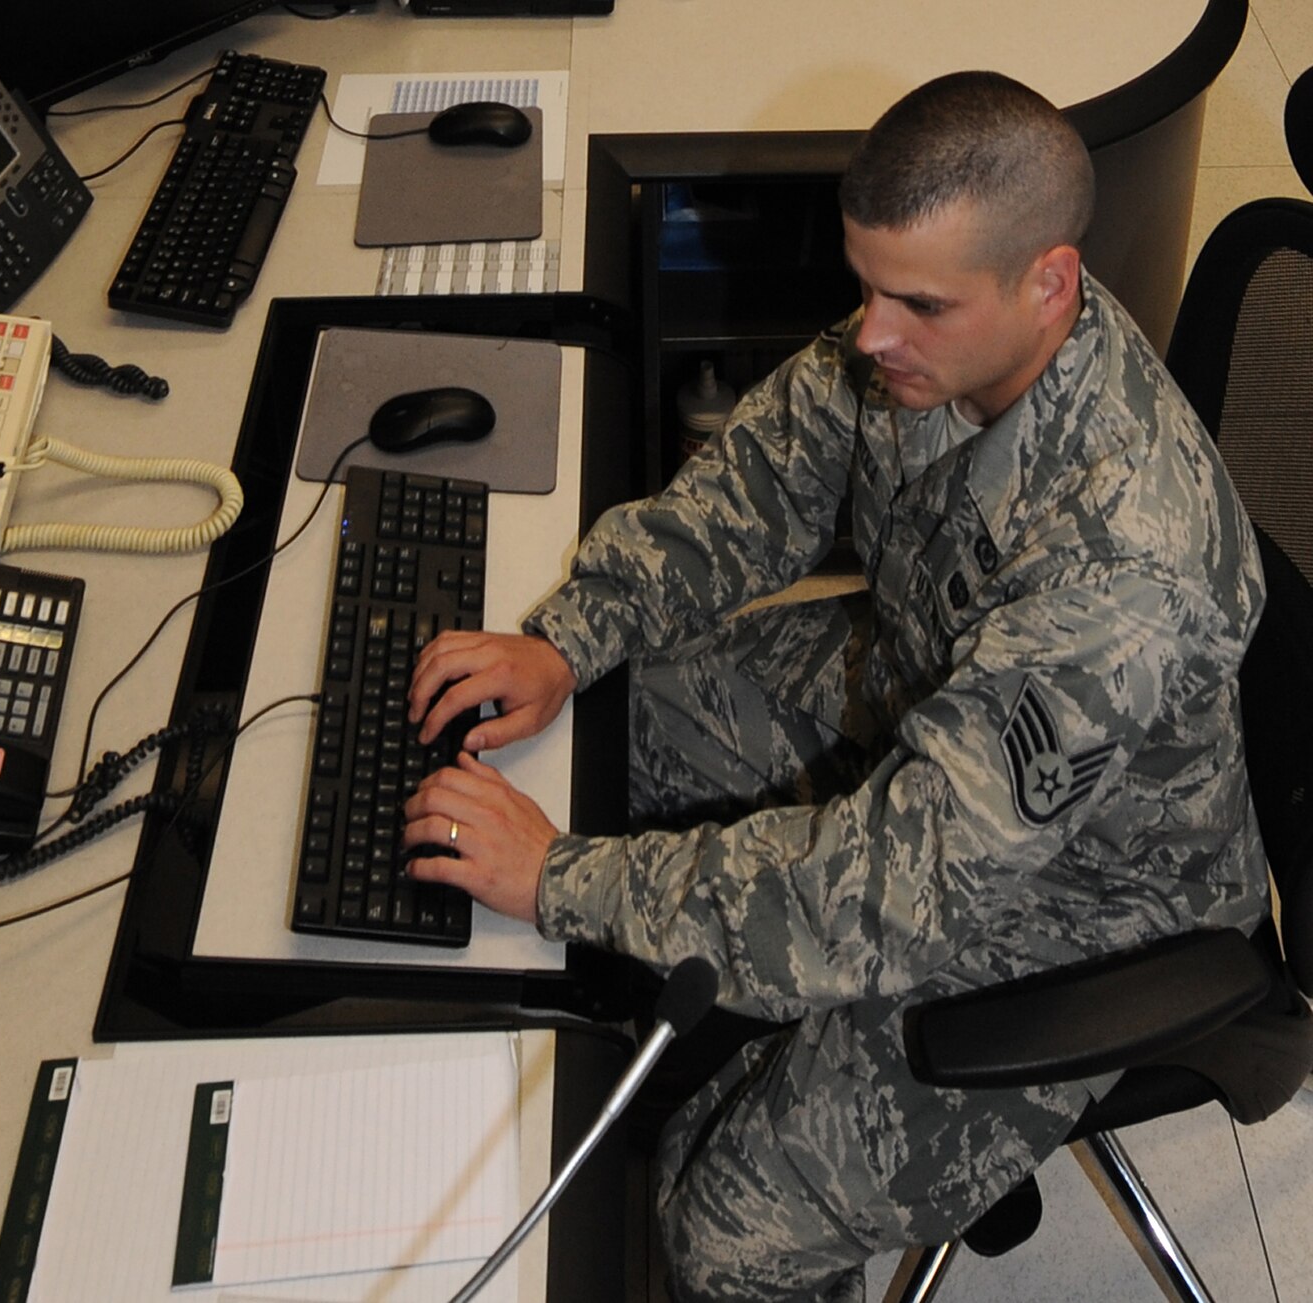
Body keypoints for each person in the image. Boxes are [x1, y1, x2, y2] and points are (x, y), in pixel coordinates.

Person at [400, 70, 1271, 1301]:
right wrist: (568, 640)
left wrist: (560, 879)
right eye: (866, 288)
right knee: (588, 729)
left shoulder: (1126, 568)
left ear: (1049, 283)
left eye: (912, 302)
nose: (868, 335)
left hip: (1083, 902)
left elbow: (892, 888)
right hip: (918, 695)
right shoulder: (933, 331)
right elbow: (756, 486)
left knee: (714, 1229)